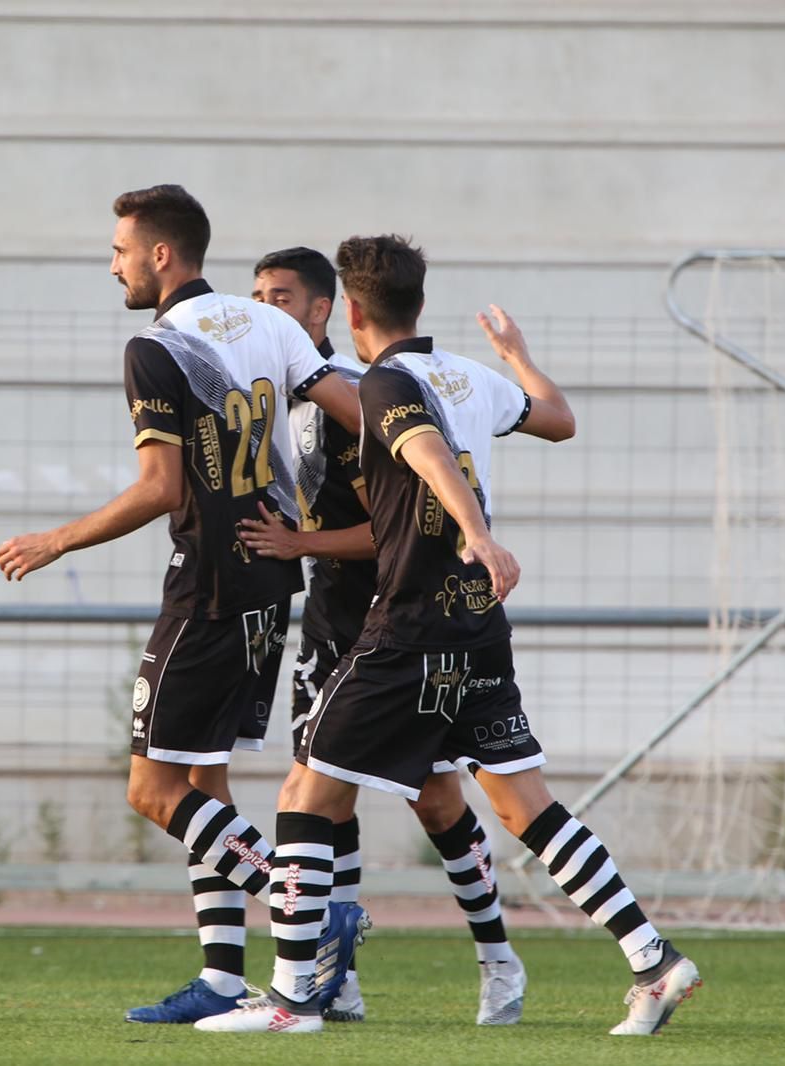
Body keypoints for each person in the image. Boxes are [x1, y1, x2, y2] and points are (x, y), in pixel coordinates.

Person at [198, 235, 699, 1037]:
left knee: (305, 794)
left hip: (412, 624)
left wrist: (477, 532)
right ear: (419, 304)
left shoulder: (385, 381)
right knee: (523, 804)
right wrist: (520, 355)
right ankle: (654, 958)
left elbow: (425, 450)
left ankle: (293, 1001)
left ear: (350, 312)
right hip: (478, 627)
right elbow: (560, 421)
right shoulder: (470, 373)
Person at [0, 185, 380, 1024]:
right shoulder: (271, 324)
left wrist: (54, 540)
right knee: (205, 780)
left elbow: (159, 487)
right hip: (268, 587)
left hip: (206, 588)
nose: (114, 264)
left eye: (119, 249)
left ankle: (305, 913)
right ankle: (219, 978)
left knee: (151, 787)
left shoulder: (157, 348)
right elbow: (365, 416)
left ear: (161, 255)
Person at [245, 246, 526, 1026]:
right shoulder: (282, 395)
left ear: (326, 310)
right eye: (258, 295)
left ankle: (498, 958)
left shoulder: (361, 394)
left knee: (438, 800)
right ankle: (337, 978)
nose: (268, 309)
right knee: (323, 798)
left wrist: (301, 545)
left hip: (403, 618)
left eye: (284, 297)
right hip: (333, 619)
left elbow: (396, 524)